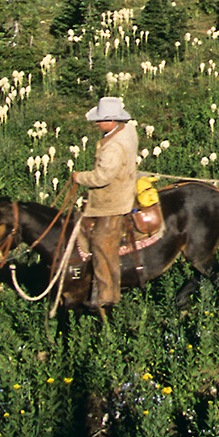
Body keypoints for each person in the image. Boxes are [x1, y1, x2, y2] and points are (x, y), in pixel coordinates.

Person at [71, 95, 140, 313]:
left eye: (99, 120)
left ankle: (108, 295)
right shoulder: (126, 129)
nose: (96, 123)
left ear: (111, 120)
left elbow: (101, 178)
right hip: (124, 184)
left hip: (114, 200)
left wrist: (79, 177)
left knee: (102, 244)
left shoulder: (114, 147)